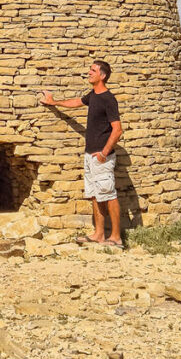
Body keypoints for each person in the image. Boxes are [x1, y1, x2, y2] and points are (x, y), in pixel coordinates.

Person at [39, 60, 123, 247]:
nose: (89, 72)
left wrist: (104, 153)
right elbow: (77, 102)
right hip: (90, 155)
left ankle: (116, 237)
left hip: (101, 156)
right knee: (95, 194)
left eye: (93, 70)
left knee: (108, 194)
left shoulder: (108, 99)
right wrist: (55, 102)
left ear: (102, 75)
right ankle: (99, 234)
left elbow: (117, 129)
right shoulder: (93, 95)